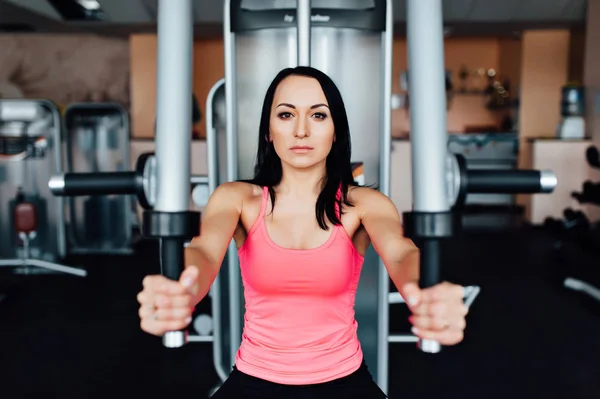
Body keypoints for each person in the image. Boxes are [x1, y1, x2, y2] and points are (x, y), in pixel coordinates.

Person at [136, 66, 468, 398]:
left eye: (318, 116)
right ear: (268, 130)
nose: (301, 131)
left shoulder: (364, 205)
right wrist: (178, 288)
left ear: (336, 130)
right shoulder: (237, 199)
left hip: (344, 381)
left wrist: (426, 291)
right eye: (286, 114)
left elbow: (402, 253)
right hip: (254, 379)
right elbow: (205, 252)